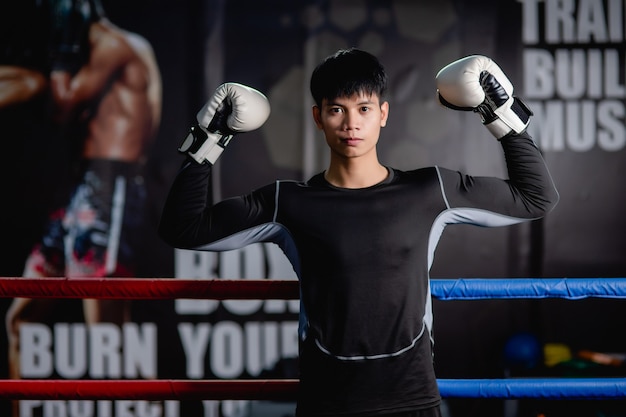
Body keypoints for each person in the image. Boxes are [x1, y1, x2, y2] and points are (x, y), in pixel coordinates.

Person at [158, 49, 559, 417]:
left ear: (383, 114)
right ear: (318, 117)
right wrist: (208, 138)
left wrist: (502, 114)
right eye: (337, 110)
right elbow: (183, 228)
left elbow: (536, 197)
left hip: (413, 402)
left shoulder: (428, 191)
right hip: (326, 405)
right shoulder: (288, 203)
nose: (351, 124)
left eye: (363, 108)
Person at [5, 0, 162, 386]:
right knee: (20, 319)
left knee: (107, 334)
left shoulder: (112, 45)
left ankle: (156, 410)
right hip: (80, 189)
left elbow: (61, 104)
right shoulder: (99, 53)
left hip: (110, 188)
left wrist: (58, 62)